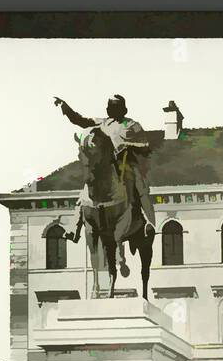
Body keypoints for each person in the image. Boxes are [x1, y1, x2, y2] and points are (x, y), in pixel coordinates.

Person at [53, 94, 157, 277]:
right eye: (110, 107)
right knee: (86, 191)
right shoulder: (101, 124)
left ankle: (149, 221)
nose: (111, 110)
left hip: (125, 164)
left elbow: (146, 146)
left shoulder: (133, 125)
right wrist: (66, 108)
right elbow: (80, 120)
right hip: (105, 166)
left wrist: (127, 144)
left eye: (115, 107)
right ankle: (74, 228)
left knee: (140, 187)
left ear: (123, 109)